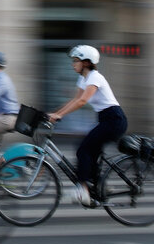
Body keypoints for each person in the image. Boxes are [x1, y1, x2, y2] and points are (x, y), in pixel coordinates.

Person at [48, 45, 128, 207]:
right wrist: (55, 113)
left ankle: (83, 188)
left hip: (114, 119)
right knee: (92, 152)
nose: (73, 64)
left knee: (83, 149)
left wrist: (60, 115)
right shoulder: (83, 79)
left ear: (86, 62)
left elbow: (82, 101)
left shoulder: (94, 77)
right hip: (105, 119)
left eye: (76, 61)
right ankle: (100, 186)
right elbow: (74, 100)